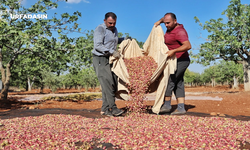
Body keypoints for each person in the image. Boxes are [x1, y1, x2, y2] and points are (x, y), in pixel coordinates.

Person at [92, 12, 130, 117]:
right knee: (108, 83)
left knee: (112, 83)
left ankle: (104, 110)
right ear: (105, 21)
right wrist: (111, 51)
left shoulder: (115, 30)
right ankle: (113, 108)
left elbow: (114, 41)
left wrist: (124, 40)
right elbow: (98, 45)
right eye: (110, 23)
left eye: (114, 23)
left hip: (111, 60)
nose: (112, 25)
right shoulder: (100, 29)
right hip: (100, 59)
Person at [155, 12, 191, 115]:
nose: (166, 25)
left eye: (168, 23)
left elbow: (188, 46)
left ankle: (166, 105)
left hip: (181, 60)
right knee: (178, 82)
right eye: (165, 23)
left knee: (169, 80)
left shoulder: (179, 32)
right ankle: (181, 108)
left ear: (175, 21)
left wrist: (174, 51)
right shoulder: (169, 24)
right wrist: (159, 21)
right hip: (174, 60)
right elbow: (164, 19)